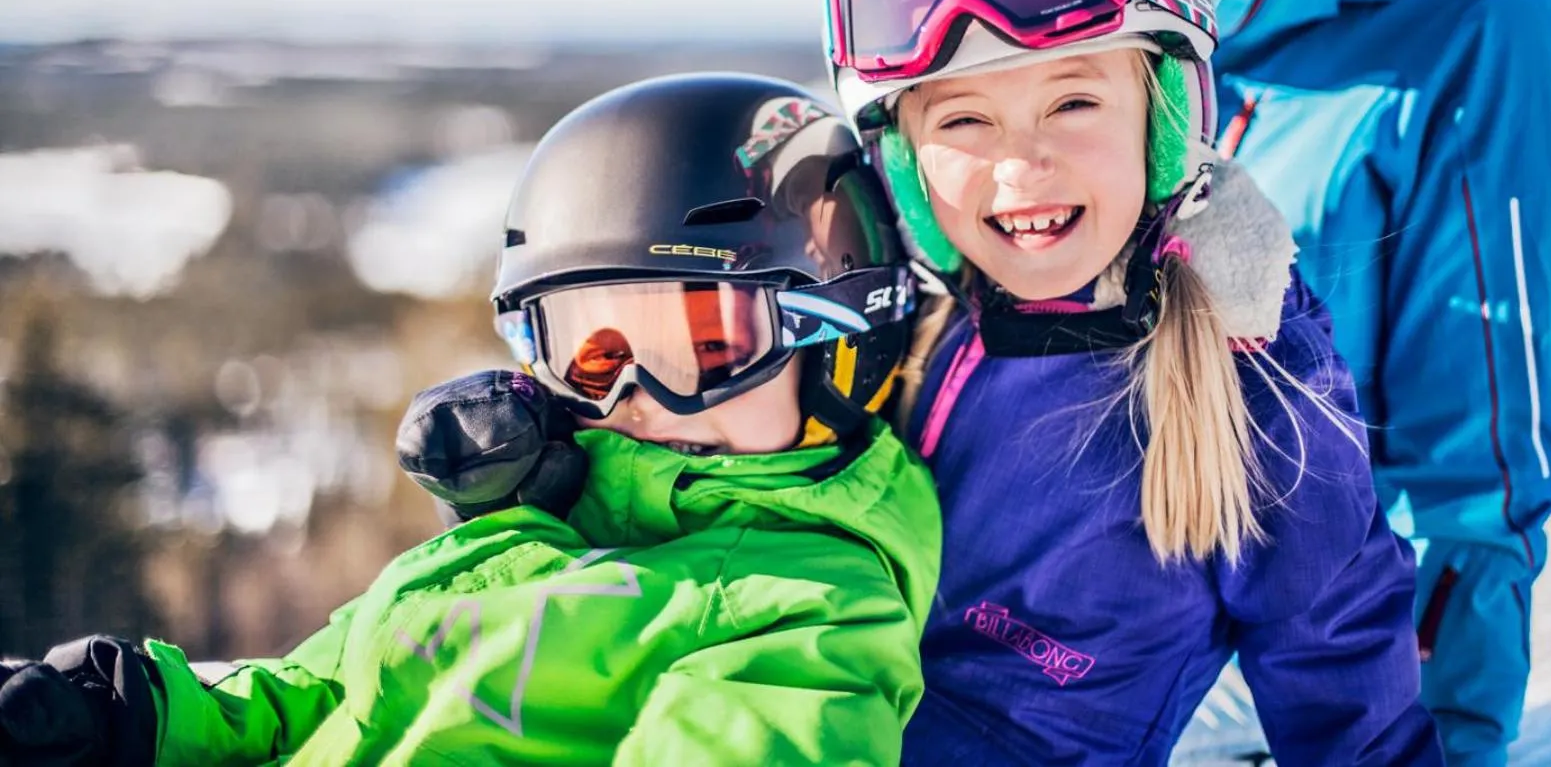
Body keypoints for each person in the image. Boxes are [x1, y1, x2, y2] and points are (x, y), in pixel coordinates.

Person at [0, 73, 940, 767]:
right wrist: (132, 714)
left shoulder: (811, 607)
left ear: (837, 343)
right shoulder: (522, 528)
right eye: (589, 347)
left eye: (700, 337)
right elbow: (330, 693)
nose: (633, 392)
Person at [1044, 0, 1551, 762]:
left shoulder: (1478, 33)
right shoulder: (1078, 21)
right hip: (1049, 649)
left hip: (1272, 684)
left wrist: (1421, 741)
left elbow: (1473, 479)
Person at [825, 0, 1441, 766]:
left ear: (1164, 117)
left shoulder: (1247, 378)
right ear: (903, 165)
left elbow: (1337, 657)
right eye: (961, 119)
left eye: (1073, 103)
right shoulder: (918, 327)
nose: (1021, 163)